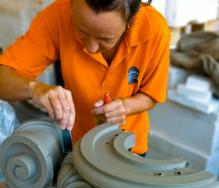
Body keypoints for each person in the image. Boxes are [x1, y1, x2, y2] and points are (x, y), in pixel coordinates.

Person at [0, 0, 170, 155]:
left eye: (105, 39)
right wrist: (35, 89)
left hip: (129, 145)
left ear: (131, 21)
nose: (90, 47)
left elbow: (151, 94)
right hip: (78, 143)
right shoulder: (58, 15)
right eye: (81, 30)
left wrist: (124, 107)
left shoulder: (154, 30)